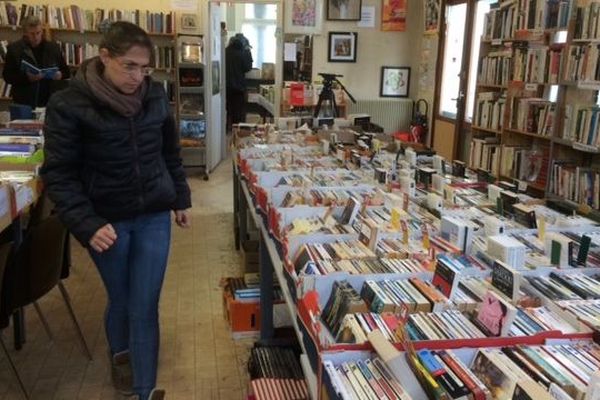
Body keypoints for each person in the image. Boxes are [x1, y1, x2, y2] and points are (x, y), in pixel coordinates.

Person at [41, 21, 191, 400]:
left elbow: (169, 152)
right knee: (121, 300)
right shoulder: (68, 104)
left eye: (145, 69)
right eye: (129, 66)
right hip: (106, 221)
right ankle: (121, 358)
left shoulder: (154, 95)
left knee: (144, 303)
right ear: (104, 56)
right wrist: (87, 224)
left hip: (154, 215)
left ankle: (143, 390)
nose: (137, 77)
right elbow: (58, 174)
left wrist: (180, 197)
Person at [2, 15, 70, 108]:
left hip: (50, 101)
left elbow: (66, 72)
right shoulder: (15, 49)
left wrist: (60, 75)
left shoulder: (53, 48)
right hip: (23, 102)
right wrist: (27, 78)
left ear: (42, 31)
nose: (36, 37)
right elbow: (7, 76)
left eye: (38, 33)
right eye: (32, 34)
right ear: (25, 33)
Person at [225, 33, 253, 128]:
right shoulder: (242, 53)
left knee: (227, 110)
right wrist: (248, 51)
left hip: (226, 88)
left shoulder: (225, 52)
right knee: (238, 113)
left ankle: (226, 131)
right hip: (239, 88)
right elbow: (248, 67)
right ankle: (237, 132)